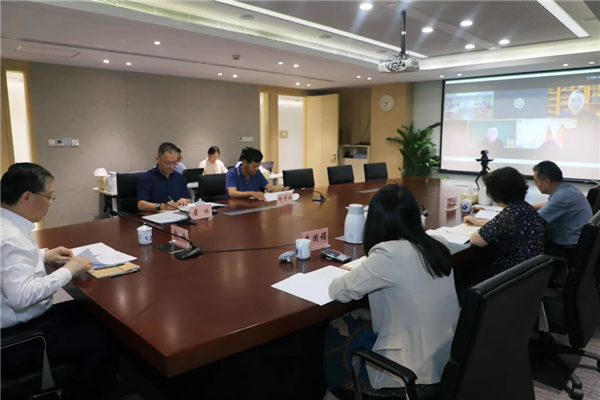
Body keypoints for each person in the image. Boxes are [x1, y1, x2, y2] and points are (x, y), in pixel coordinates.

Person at [325, 185, 459, 399]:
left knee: (337, 330)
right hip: (447, 358)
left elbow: (339, 290)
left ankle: (337, 391)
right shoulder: (438, 244)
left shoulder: (388, 254)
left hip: (411, 373)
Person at [0, 163, 118, 400]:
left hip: (19, 324)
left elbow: (9, 264)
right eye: (48, 197)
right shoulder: (10, 237)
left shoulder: (7, 226)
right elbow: (20, 297)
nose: (50, 204)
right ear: (27, 197)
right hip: (18, 338)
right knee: (103, 338)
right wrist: (68, 271)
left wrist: (44, 255)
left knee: (91, 313)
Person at [462, 167, 545, 297]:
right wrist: (478, 222)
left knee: (461, 277)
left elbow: (476, 240)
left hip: (506, 280)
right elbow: (507, 225)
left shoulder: (509, 215)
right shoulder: (526, 208)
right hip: (528, 277)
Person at [532, 161, 592, 247]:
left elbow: (534, 220)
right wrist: (529, 207)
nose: (536, 185)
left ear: (547, 182)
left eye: (536, 182)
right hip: (580, 242)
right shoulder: (568, 190)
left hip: (569, 248)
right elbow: (549, 205)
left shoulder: (562, 197)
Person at [137, 142, 191, 212]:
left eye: (175, 163)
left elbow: (188, 199)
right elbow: (141, 205)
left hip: (178, 214)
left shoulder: (179, 177)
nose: (172, 166)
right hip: (155, 215)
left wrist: (184, 200)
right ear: (157, 159)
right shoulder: (147, 178)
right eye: (167, 163)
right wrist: (161, 206)